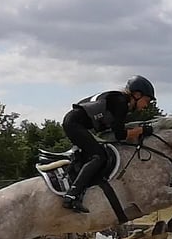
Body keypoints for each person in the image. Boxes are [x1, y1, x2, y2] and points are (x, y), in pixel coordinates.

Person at [61, 75, 156, 213]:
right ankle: (71, 195)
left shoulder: (119, 100)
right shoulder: (121, 103)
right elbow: (120, 135)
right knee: (99, 156)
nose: (146, 105)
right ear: (136, 94)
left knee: (98, 153)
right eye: (146, 101)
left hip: (75, 123)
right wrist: (142, 130)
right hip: (75, 124)